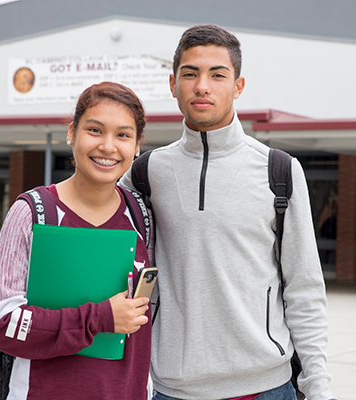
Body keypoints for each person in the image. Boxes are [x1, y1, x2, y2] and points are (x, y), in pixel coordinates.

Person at [120, 24, 333, 400]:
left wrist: (317, 388)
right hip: (174, 389)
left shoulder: (279, 170)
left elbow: (304, 289)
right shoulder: (144, 173)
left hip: (266, 386)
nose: (202, 85)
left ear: (238, 86)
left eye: (217, 74)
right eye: (190, 73)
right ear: (173, 85)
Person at [0, 81, 152, 400]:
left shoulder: (142, 215)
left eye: (123, 135)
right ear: (72, 132)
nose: (108, 146)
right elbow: (0, 322)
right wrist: (100, 318)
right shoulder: (33, 212)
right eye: (95, 130)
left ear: (137, 145)